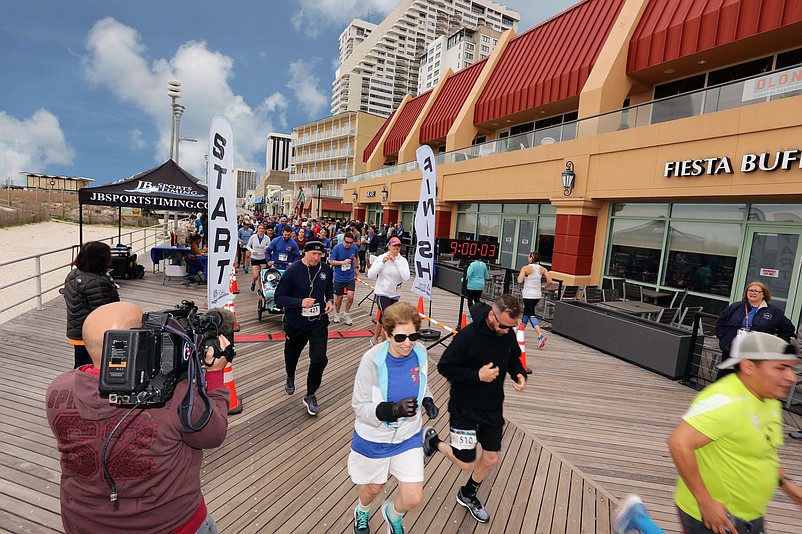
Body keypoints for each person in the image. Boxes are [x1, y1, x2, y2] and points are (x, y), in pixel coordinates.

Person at [46, 301, 231, 533]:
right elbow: (213, 435)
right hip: (172, 526)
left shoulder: (57, 389)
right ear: (137, 341)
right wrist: (214, 375)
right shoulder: (175, 396)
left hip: (84, 524)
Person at [665, 331, 802, 534]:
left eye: (791, 369)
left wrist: (787, 485)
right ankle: (638, 521)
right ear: (748, 366)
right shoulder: (725, 400)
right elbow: (679, 442)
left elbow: (765, 451)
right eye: (781, 368)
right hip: (715, 518)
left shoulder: (770, 400)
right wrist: (705, 502)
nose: (792, 377)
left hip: (751, 517)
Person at [422, 294, 527, 524]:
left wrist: (518, 373)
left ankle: (467, 493)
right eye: (504, 326)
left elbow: (513, 358)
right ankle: (434, 443)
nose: (507, 331)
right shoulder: (468, 336)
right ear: (492, 315)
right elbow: (445, 367)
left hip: (492, 409)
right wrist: (477, 376)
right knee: (466, 462)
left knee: (490, 458)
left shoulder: (506, 333)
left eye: (512, 327)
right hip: (464, 410)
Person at [349, 301, 438, 534]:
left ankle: (392, 514)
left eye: (413, 336)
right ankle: (362, 511)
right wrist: (390, 411)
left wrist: (427, 399)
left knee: (413, 498)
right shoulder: (371, 360)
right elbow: (359, 406)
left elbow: (421, 384)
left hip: (408, 435)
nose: (407, 343)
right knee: (374, 487)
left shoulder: (420, 353)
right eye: (400, 338)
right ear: (387, 335)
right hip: (375, 438)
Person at [274, 240, 334, 416]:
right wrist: (300, 302)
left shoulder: (325, 269)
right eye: (313, 254)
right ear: (304, 253)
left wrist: (329, 299)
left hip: (318, 321)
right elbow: (278, 298)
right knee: (292, 354)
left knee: (320, 359)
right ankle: (290, 375)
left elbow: (329, 286)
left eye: (319, 254)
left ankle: (310, 394)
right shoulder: (293, 270)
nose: (316, 258)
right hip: (296, 322)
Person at [63, 241, 120, 368]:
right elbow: (103, 313)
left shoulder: (73, 274)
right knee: (94, 367)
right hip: (91, 334)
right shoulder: (96, 282)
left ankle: (78, 384)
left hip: (77, 329)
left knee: (80, 364)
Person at [715, 281, 795, 365]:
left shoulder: (774, 312)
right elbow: (721, 322)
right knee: (726, 375)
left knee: (748, 376)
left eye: (756, 291)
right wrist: (722, 336)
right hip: (731, 349)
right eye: (750, 290)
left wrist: (778, 346)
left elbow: (788, 328)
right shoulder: (735, 307)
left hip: (755, 353)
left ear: (764, 294)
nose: (752, 293)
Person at [367, 236, 411, 347]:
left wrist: (396, 261)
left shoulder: (402, 261)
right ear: (389, 246)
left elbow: (406, 277)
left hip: (395, 293)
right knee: (389, 317)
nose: (396, 248)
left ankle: (374, 339)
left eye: (398, 246)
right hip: (382, 291)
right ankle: (385, 344)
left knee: (383, 317)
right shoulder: (382, 257)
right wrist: (382, 262)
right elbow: (370, 275)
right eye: (394, 245)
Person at [516, 251, 553, 350]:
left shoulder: (525, 268)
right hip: (537, 295)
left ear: (531, 258)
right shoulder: (542, 269)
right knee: (526, 314)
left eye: (529, 256)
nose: (528, 258)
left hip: (528, 295)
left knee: (531, 314)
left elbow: (519, 281)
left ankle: (540, 335)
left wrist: (521, 275)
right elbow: (550, 281)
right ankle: (519, 333)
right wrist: (544, 287)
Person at [329, 230, 360, 326]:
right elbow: (331, 261)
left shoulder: (354, 248)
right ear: (343, 240)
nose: (349, 245)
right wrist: (342, 262)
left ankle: (346, 313)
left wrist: (357, 268)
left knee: (350, 296)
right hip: (339, 277)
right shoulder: (337, 248)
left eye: (351, 243)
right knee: (339, 297)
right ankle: (337, 313)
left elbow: (355, 258)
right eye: (347, 242)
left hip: (350, 276)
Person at [247, 224, 270, 292]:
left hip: (263, 257)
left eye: (262, 228)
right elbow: (248, 246)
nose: (261, 230)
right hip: (255, 258)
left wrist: (266, 248)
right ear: (257, 229)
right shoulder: (253, 237)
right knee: (256, 275)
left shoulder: (267, 238)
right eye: (259, 228)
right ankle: (253, 282)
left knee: (262, 275)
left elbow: (269, 246)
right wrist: (252, 251)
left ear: (264, 230)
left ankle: (260, 289)